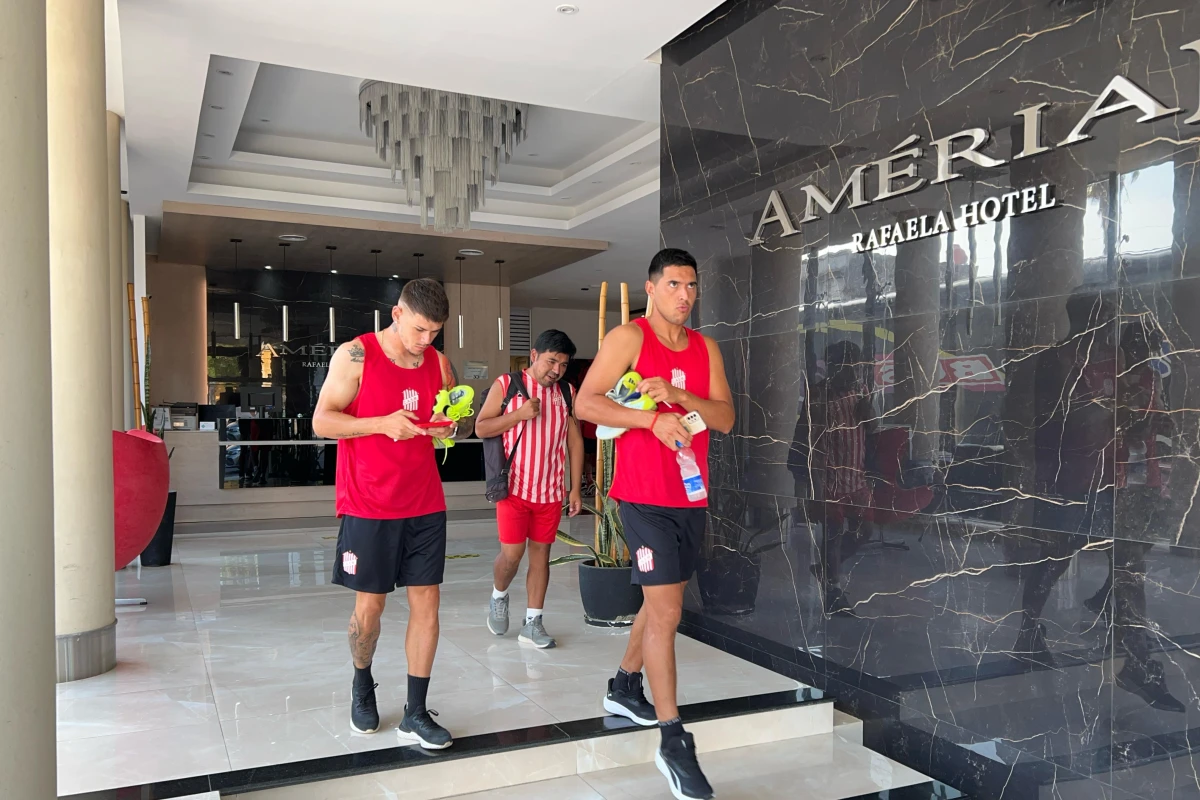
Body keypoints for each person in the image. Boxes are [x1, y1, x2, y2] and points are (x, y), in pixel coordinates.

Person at [576, 248, 734, 800]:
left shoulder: (704, 348)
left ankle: (623, 684)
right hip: (642, 499)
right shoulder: (629, 338)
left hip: (690, 497)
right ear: (651, 288)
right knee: (667, 611)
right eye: (673, 284)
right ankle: (673, 740)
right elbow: (586, 404)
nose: (684, 295)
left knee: (658, 601)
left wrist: (681, 396)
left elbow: (725, 416)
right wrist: (650, 419)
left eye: (691, 285)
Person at [313, 277, 471, 749]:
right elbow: (323, 420)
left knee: (428, 603)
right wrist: (382, 424)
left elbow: (449, 431)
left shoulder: (439, 364)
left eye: (435, 333)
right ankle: (363, 685)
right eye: (420, 330)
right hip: (369, 503)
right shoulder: (355, 355)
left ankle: (416, 712)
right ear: (397, 314)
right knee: (371, 605)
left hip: (424, 501)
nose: (427, 342)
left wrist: (448, 428)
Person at [476, 329, 585, 648]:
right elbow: (482, 427)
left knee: (541, 556)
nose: (557, 370)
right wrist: (519, 415)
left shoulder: (567, 392)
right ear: (534, 355)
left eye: (563, 365)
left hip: (550, 492)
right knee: (512, 555)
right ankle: (499, 596)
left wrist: (574, 489)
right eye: (552, 361)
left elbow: (574, 440)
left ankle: (533, 622)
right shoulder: (507, 385)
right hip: (514, 490)